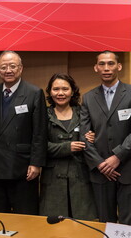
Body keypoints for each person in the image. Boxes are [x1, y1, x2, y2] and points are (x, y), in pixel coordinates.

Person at [80, 51, 131, 226]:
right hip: (101, 171)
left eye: (110, 64)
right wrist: (100, 163)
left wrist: (117, 157)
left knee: (129, 224)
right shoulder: (88, 98)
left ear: (119, 66)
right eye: (102, 64)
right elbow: (83, 135)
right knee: (105, 223)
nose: (106, 68)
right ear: (96, 68)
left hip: (130, 168)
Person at [0, 50, 47, 215]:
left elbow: (40, 132)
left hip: (23, 166)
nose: (8, 70)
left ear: (21, 68)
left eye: (12, 66)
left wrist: (36, 163)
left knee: (25, 215)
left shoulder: (34, 93)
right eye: (3, 67)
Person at [39, 73, 97, 220]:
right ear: (50, 92)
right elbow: (39, 146)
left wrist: (93, 138)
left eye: (65, 89)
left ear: (72, 91)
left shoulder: (83, 112)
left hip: (81, 179)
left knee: (83, 227)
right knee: (53, 230)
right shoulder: (43, 115)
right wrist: (67, 147)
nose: (60, 93)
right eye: (56, 89)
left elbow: (97, 137)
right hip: (52, 182)